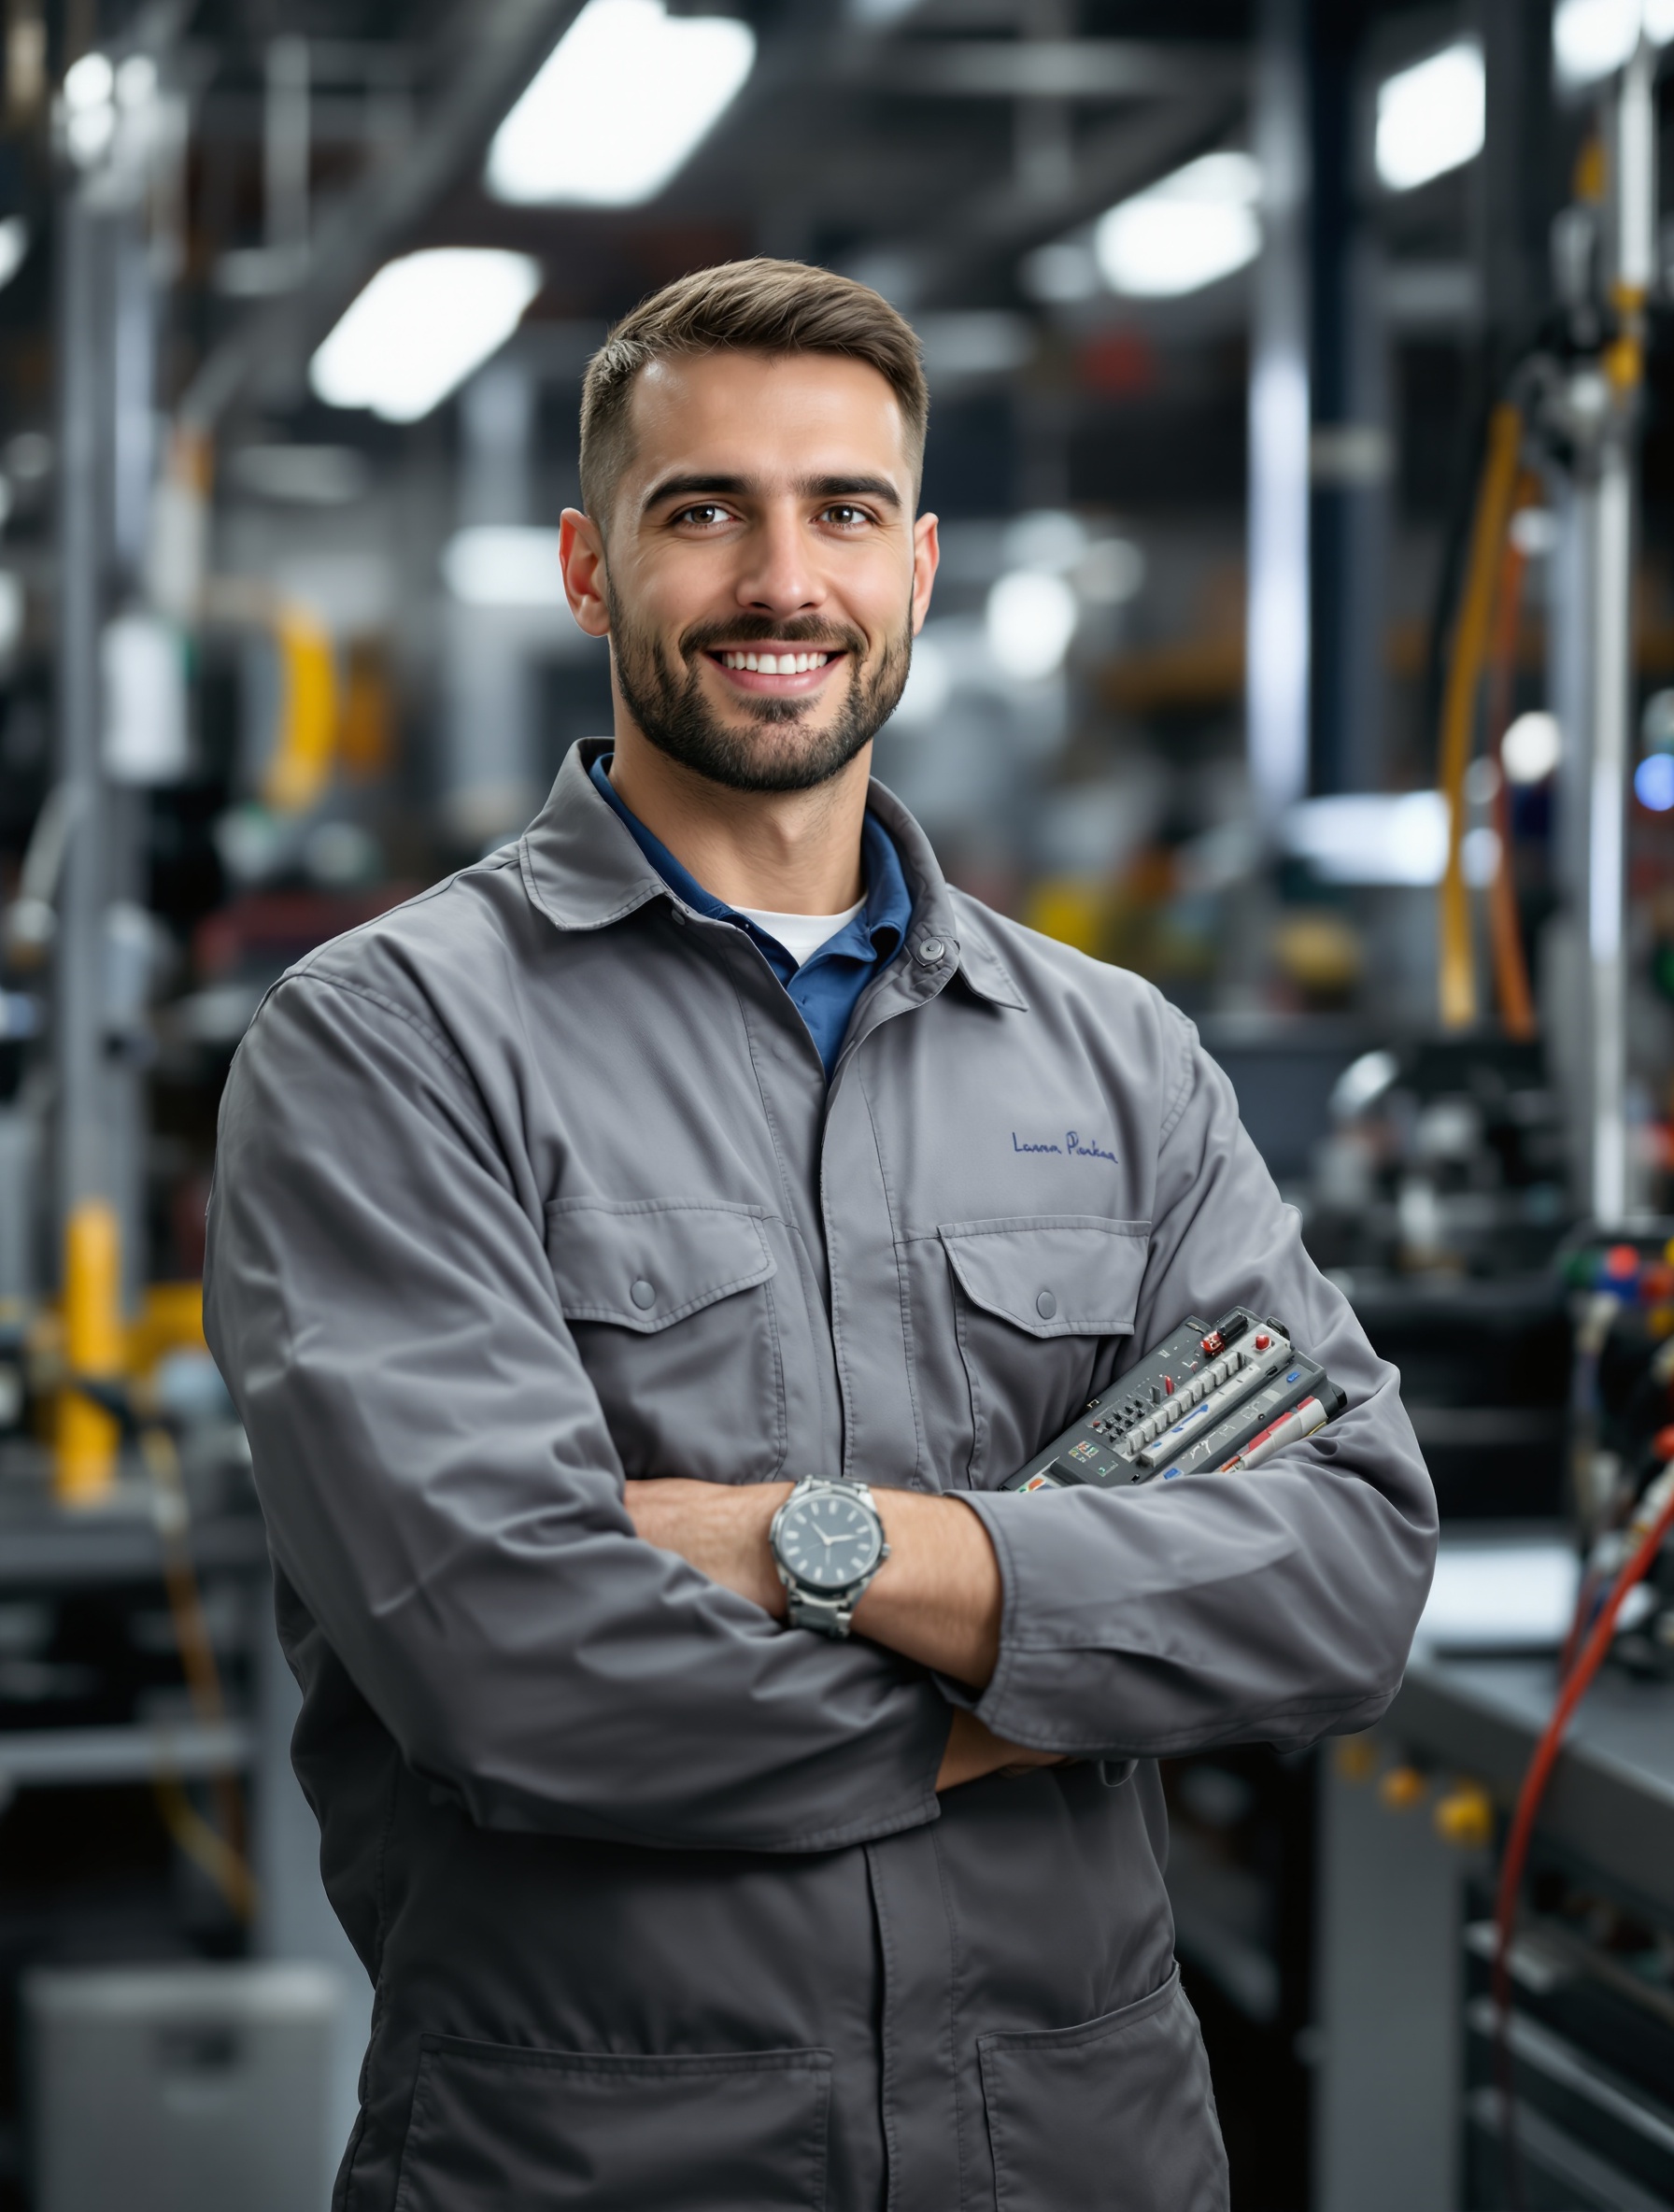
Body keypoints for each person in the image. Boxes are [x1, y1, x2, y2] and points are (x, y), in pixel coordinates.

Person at [205, 258, 1436, 2212]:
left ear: (919, 562)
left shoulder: (1116, 1055)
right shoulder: (391, 1043)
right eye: (705, 510)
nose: (785, 579)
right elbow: (518, 1672)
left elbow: (1349, 1560)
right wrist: (1065, 1661)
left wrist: (823, 1546)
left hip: (1081, 2153)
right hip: (602, 2153)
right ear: (589, 567)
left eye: (843, 510)